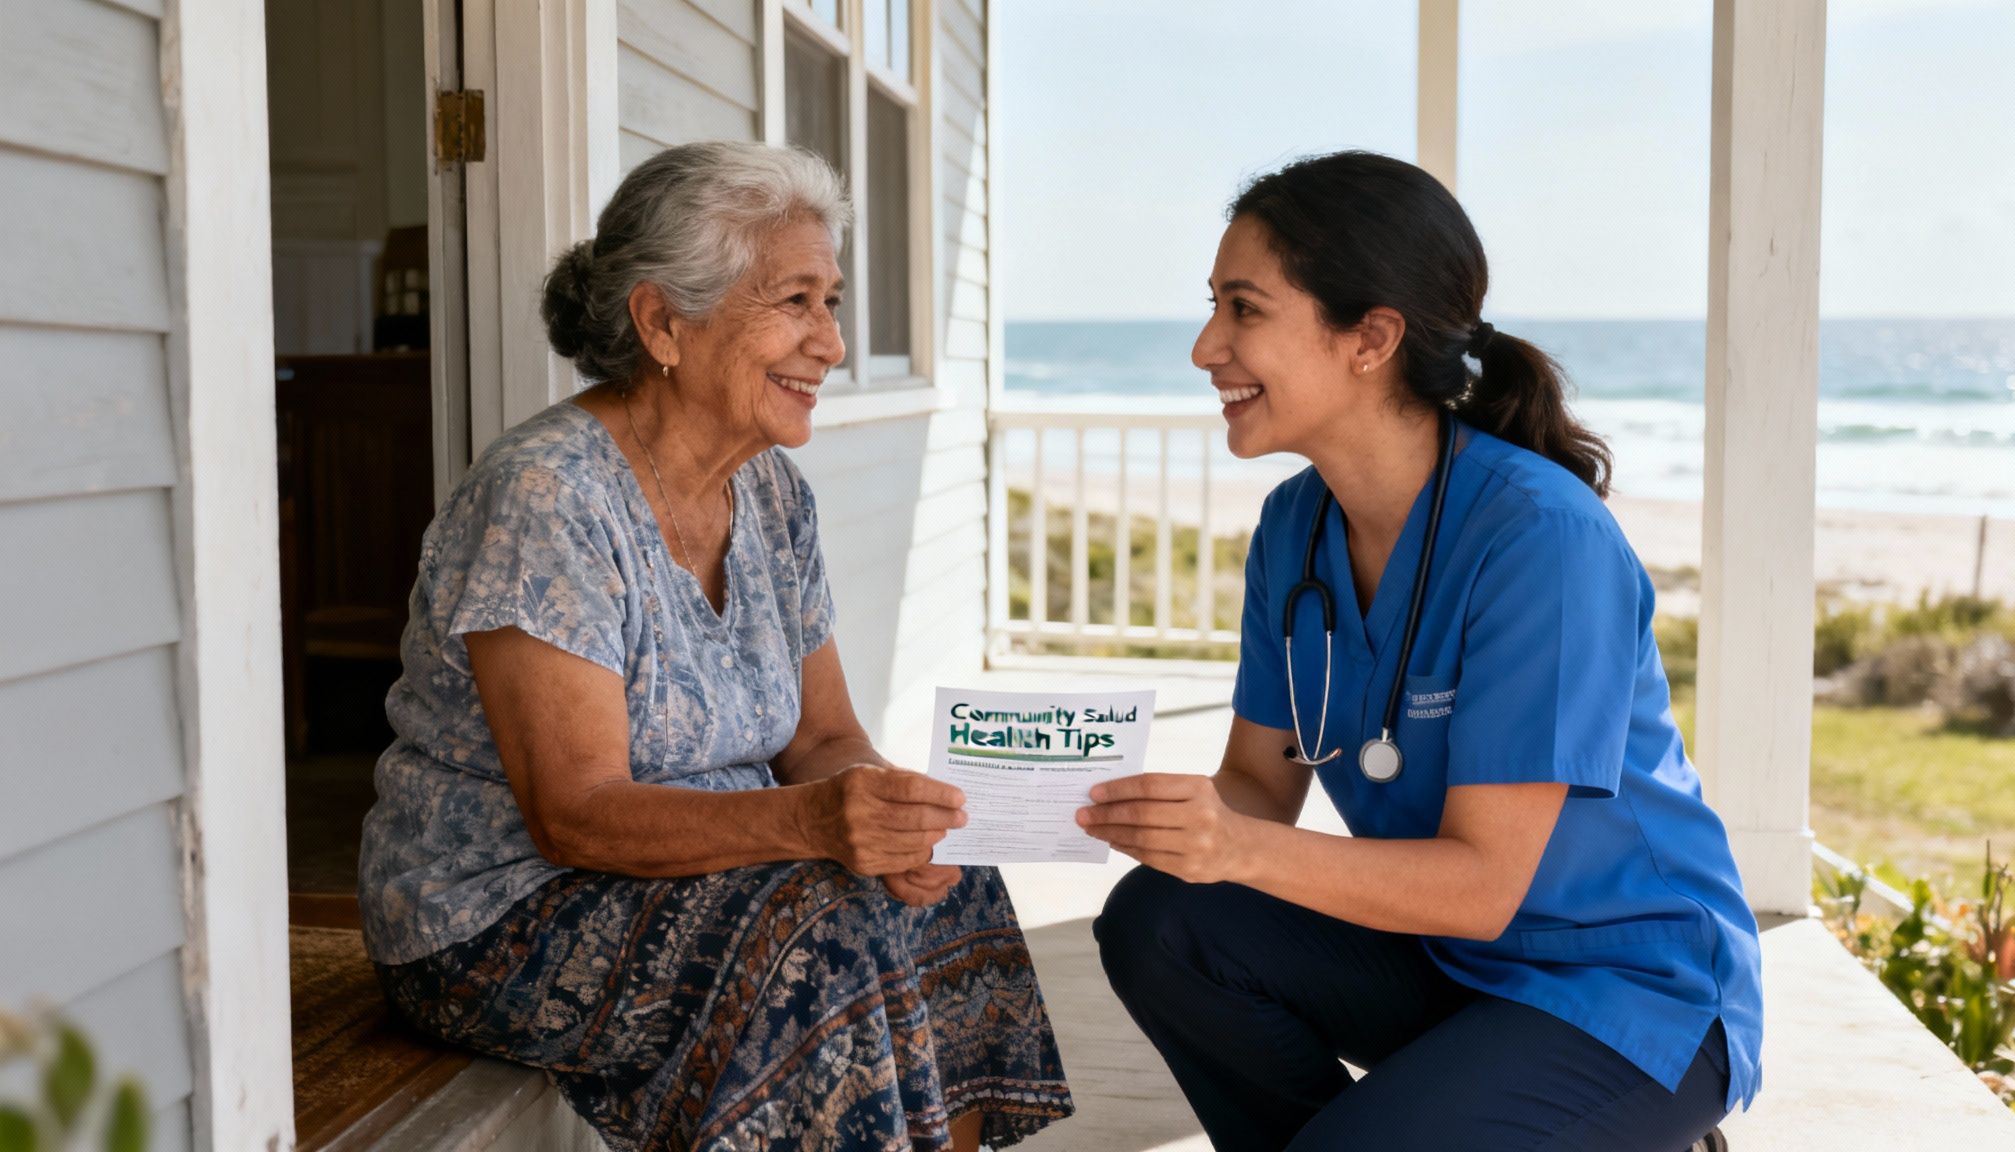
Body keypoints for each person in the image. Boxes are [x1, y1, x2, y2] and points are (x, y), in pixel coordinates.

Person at [357, 140, 1072, 1151]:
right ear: (662, 322)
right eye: (794, 302)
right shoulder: (549, 496)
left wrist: (897, 813)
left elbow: (823, 742)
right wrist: (821, 822)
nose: (828, 342)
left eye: (830, 302)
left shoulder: (771, 491)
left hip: (713, 868)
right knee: (820, 935)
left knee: (950, 889)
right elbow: (575, 818)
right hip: (502, 913)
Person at [1083, 151, 1761, 1152]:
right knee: (1160, 922)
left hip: (1627, 992)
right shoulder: (1294, 529)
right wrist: (1067, 798)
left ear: (1370, 338)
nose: (1203, 346)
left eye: (1242, 308)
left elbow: (1483, 883)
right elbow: (1256, 792)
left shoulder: (1539, 539)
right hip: (1452, 962)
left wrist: (1236, 845)